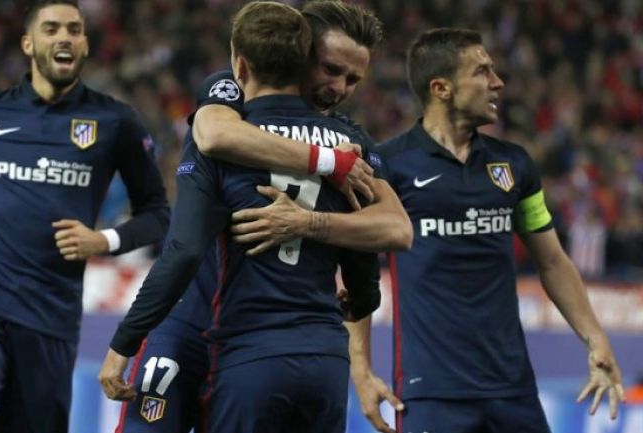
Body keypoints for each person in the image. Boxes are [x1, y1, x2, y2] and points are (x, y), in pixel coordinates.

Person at [236, 27, 627, 433]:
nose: (498, 82)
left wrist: (595, 338)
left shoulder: (515, 166)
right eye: (482, 71)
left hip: (513, 390)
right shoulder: (390, 167)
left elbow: (552, 261)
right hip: (429, 393)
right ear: (441, 87)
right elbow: (359, 270)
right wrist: (362, 369)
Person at [98, 2, 411, 432]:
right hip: (188, 324)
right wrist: (326, 161)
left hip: (246, 338)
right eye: (331, 69)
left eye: (353, 79)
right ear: (301, 54)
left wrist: (307, 223)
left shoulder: (352, 142)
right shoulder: (233, 94)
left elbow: (389, 234)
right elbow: (213, 132)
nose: (339, 87)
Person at [0, 1, 170, 432]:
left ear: (85, 45)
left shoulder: (115, 121)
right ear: (29, 43)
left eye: (74, 29)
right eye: (51, 28)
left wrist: (102, 241)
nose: (64, 36)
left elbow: (157, 214)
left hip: (53, 313)